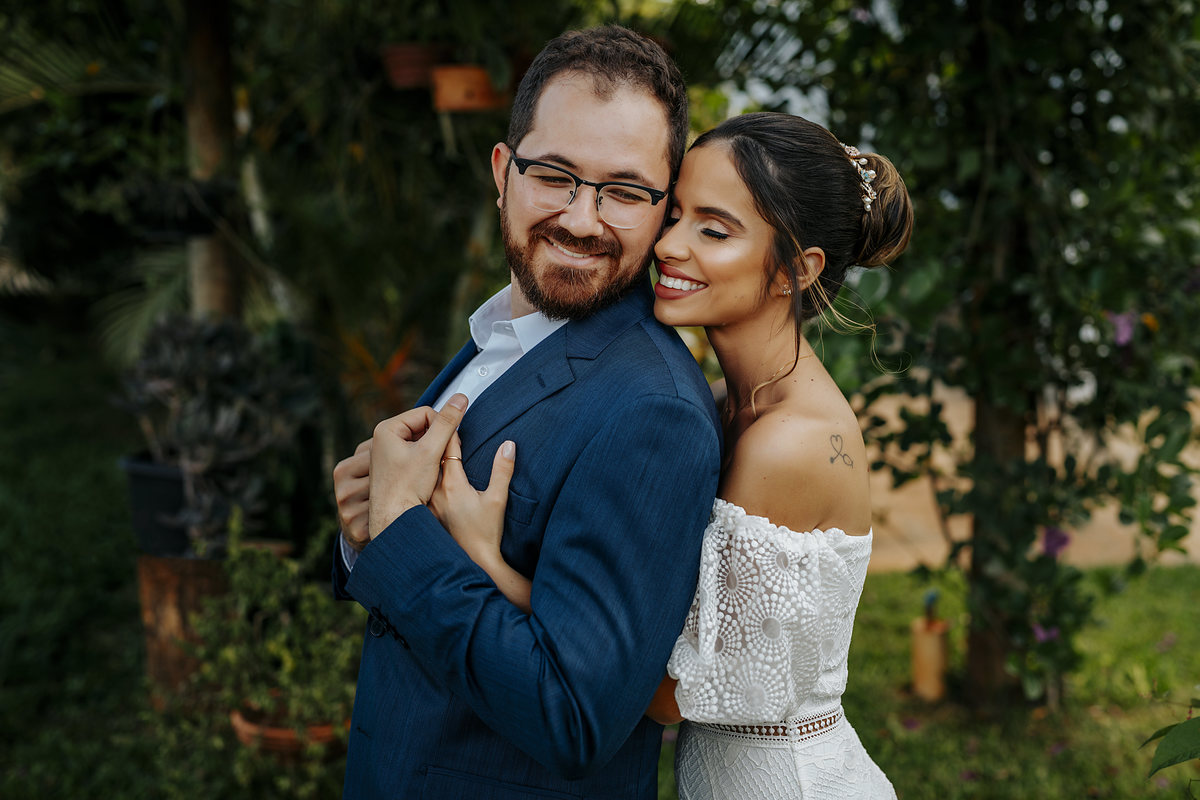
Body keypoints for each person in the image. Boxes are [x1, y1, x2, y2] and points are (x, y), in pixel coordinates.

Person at [435, 111, 913, 798]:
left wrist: (488, 562)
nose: (671, 246)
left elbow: (664, 696)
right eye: (676, 214)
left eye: (714, 230)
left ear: (797, 271)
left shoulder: (791, 443)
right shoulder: (728, 401)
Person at [331, 25, 722, 800]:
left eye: (624, 191)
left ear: (663, 207)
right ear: (503, 173)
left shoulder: (656, 411)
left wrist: (404, 533)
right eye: (555, 175)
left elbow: (575, 717)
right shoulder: (502, 335)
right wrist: (362, 535)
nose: (582, 219)